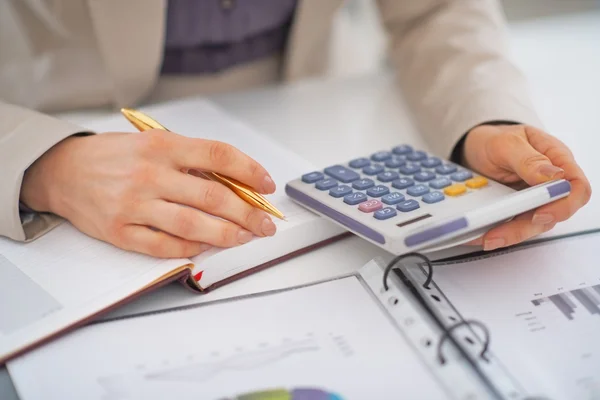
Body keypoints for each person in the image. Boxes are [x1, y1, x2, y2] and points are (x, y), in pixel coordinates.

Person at [0, 0, 591, 258]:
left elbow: (436, 8)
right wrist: (46, 165)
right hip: (62, 116)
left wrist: (481, 118)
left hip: (320, 108)